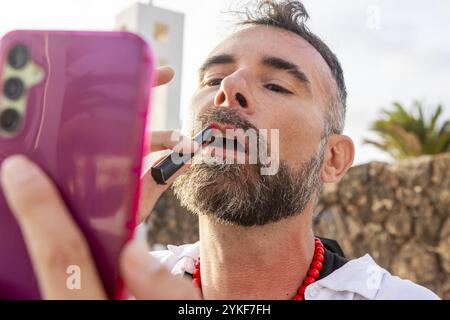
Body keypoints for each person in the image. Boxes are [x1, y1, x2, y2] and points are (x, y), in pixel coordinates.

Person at [0, 0, 439, 300]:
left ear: (334, 158)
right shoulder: (98, 284)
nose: (228, 90)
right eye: (213, 80)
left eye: (276, 84)